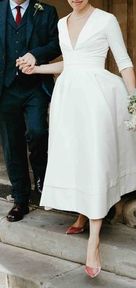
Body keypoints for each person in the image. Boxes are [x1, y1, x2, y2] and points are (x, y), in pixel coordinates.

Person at [17, 0, 136, 278]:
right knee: (77, 160)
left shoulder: (106, 20)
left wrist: (135, 101)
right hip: (67, 101)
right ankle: (82, 213)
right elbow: (70, 64)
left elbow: (124, 62)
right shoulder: (61, 23)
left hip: (97, 100)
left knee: (95, 160)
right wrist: (38, 69)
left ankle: (93, 241)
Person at [0, 0, 61, 222]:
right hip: (5, 90)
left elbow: (58, 43)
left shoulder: (47, 11)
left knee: (38, 132)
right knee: (11, 144)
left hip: (35, 87)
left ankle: (42, 178)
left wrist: (36, 54)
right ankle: (20, 200)